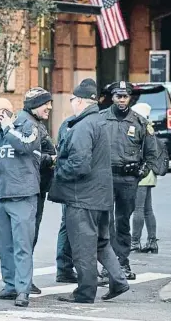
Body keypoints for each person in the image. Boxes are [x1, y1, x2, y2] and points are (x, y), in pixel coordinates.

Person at [49, 78, 129, 303]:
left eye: (73, 99)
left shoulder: (83, 125)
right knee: (101, 243)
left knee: (83, 247)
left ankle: (85, 292)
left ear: (81, 101)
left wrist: (58, 168)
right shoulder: (99, 121)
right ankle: (119, 281)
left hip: (82, 197)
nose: (72, 103)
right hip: (100, 196)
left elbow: (79, 165)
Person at [0, 98, 40, 308]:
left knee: (22, 245)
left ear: (3, 113)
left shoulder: (27, 126)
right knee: (4, 246)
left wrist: (8, 127)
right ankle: (10, 285)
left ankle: (23, 290)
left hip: (22, 195)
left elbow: (26, 146)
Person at [100, 80, 157, 280]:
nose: (122, 100)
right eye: (118, 96)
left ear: (130, 98)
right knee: (106, 222)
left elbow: (152, 153)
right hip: (105, 178)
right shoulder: (100, 119)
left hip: (127, 179)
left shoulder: (140, 122)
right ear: (112, 97)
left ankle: (122, 263)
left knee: (123, 222)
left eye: (125, 96)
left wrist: (142, 171)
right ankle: (108, 265)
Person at [17, 87, 56, 294]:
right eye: (45, 103)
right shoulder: (27, 124)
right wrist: (52, 159)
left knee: (29, 236)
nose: (50, 106)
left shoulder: (35, 123)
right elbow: (27, 156)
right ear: (33, 105)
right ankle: (22, 281)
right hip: (30, 189)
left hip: (37, 188)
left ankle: (23, 279)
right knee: (26, 237)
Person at [129, 103, 159, 254]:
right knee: (148, 209)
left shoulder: (140, 127)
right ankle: (152, 241)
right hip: (149, 173)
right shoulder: (149, 127)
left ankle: (135, 242)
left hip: (142, 173)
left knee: (138, 209)